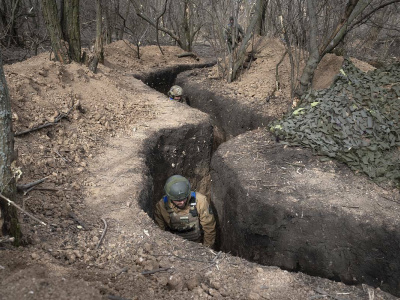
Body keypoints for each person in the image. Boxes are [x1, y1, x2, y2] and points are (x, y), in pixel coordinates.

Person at [154, 175, 216, 248]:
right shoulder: (162, 206)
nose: (182, 202)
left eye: (184, 198)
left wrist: (207, 249)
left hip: (198, 244)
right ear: (169, 197)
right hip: (175, 246)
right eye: (178, 200)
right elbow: (159, 231)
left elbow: (209, 227)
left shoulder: (200, 201)